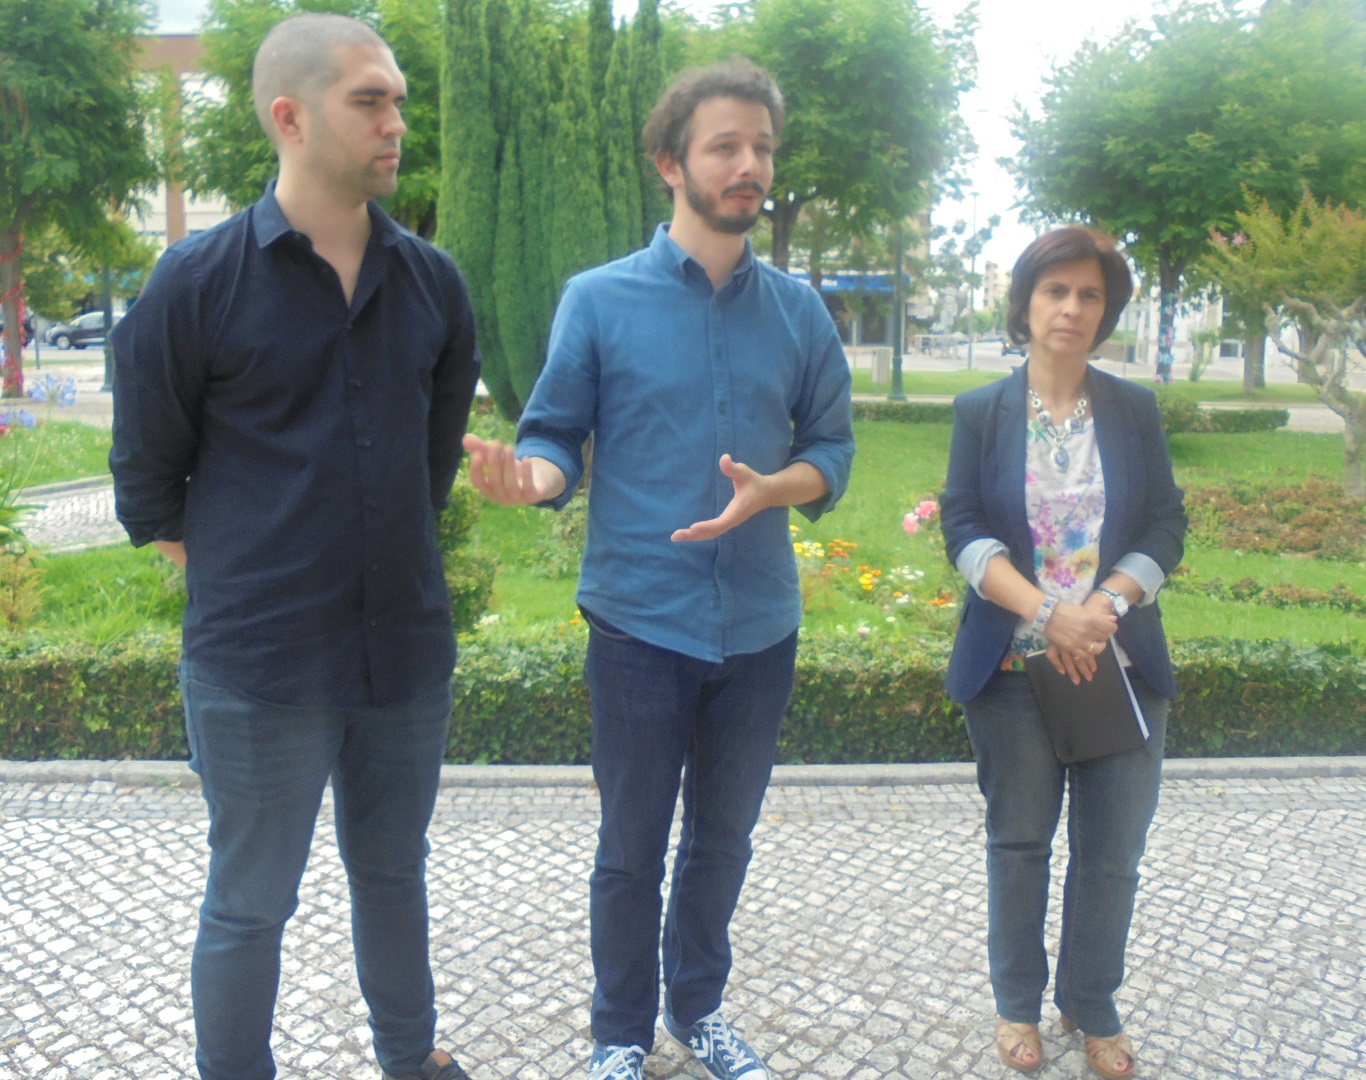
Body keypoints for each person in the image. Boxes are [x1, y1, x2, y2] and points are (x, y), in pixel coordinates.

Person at [462, 58, 854, 1080]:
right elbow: (554, 434)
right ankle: (620, 1032)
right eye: (725, 145)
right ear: (668, 162)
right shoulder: (598, 300)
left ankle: (698, 1009)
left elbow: (833, 449)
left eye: (762, 146)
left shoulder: (801, 313)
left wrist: (776, 489)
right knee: (631, 845)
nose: (749, 164)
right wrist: (532, 480)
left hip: (760, 625)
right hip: (639, 621)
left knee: (724, 840)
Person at [108, 14, 480, 1080]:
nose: (396, 121)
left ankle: (411, 1061)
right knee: (249, 901)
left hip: (401, 654)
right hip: (259, 666)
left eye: (397, 99)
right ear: (290, 116)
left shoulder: (433, 284)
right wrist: (250, 575)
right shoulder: (196, 282)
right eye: (370, 100)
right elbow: (146, 482)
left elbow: (430, 466)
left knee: (394, 875)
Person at [939, 227, 1186, 1079]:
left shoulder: (1133, 410)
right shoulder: (981, 412)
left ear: (1105, 312)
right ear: (1026, 303)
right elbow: (963, 526)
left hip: (1120, 663)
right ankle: (1017, 1005)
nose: (1072, 308)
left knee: (1113, 854)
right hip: (1013, 669)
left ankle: (1092, 1003)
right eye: (1056, 291)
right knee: (1019, 843)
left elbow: (1165, 524)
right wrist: (1050, 613)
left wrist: (1105, 605)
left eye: (1089, 295)